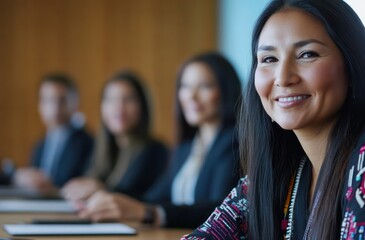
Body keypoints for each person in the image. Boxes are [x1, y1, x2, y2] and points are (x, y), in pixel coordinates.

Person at [183, 0, 365, 239]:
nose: (283, 77)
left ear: (352, 65)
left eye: (307, 54)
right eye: (269, 59)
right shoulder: (286, 163)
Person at [75, 52, 242, 229]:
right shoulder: (187, 148)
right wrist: (108, 198)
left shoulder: (234, 143)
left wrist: (149, 213)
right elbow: (151, 198)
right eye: (185, 86)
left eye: (204, 86)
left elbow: (221, 210)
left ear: (226, 90)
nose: (191, 96)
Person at [62, 70, 169, 200]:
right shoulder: (101, 148)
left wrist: (102, 190)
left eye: (128, 99)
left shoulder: (156, 152)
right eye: (110, 99)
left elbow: (146, 199)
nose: (119, 108)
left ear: (143, 106)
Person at [13, 74, 94, 192]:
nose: (55, 108)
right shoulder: (40, 145)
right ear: (40, 105)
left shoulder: (88, 143)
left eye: (62, 100)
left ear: (75, 103)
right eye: (49, 100)